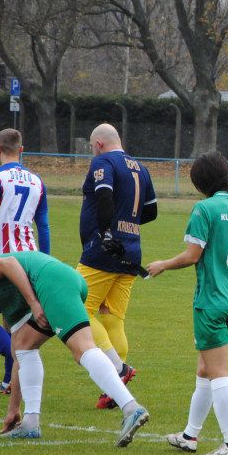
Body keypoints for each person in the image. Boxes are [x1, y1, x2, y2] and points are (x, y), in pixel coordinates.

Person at [147, 152, 228, 455]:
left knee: (218, 373)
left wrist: (162, 264)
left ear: (201, 182)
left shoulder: (204, 209)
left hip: (211, 303)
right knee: (205, 369)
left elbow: (191, 256)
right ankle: (190, 436)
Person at [0, 251, 149, 446]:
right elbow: (18, 359)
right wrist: (13, 409)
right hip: (63, 281)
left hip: (53, 282)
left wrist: (34, 303)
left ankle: (131, 408)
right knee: (24, 347)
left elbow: (9, 263)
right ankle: (30, 423)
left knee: (82, 348)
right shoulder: (10, 305)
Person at [77, 123, 157, 410]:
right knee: (113, 318)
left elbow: (104, 195)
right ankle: (112, 391)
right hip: (132, 250)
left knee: (76, 307)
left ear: (98, 144)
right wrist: (127, 224)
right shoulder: (141, 167)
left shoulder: (103, 161)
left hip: (104, 250)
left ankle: (118, 369)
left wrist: (108, 231)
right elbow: (151, 211)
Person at [0, 128, 50, 395]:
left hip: (3, 259)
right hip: (30, 258)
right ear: (22, 150)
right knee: (12, 322)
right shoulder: (37, 181)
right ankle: (8, 382)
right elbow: (44, 226)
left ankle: (15, 364)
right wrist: (44, 261)